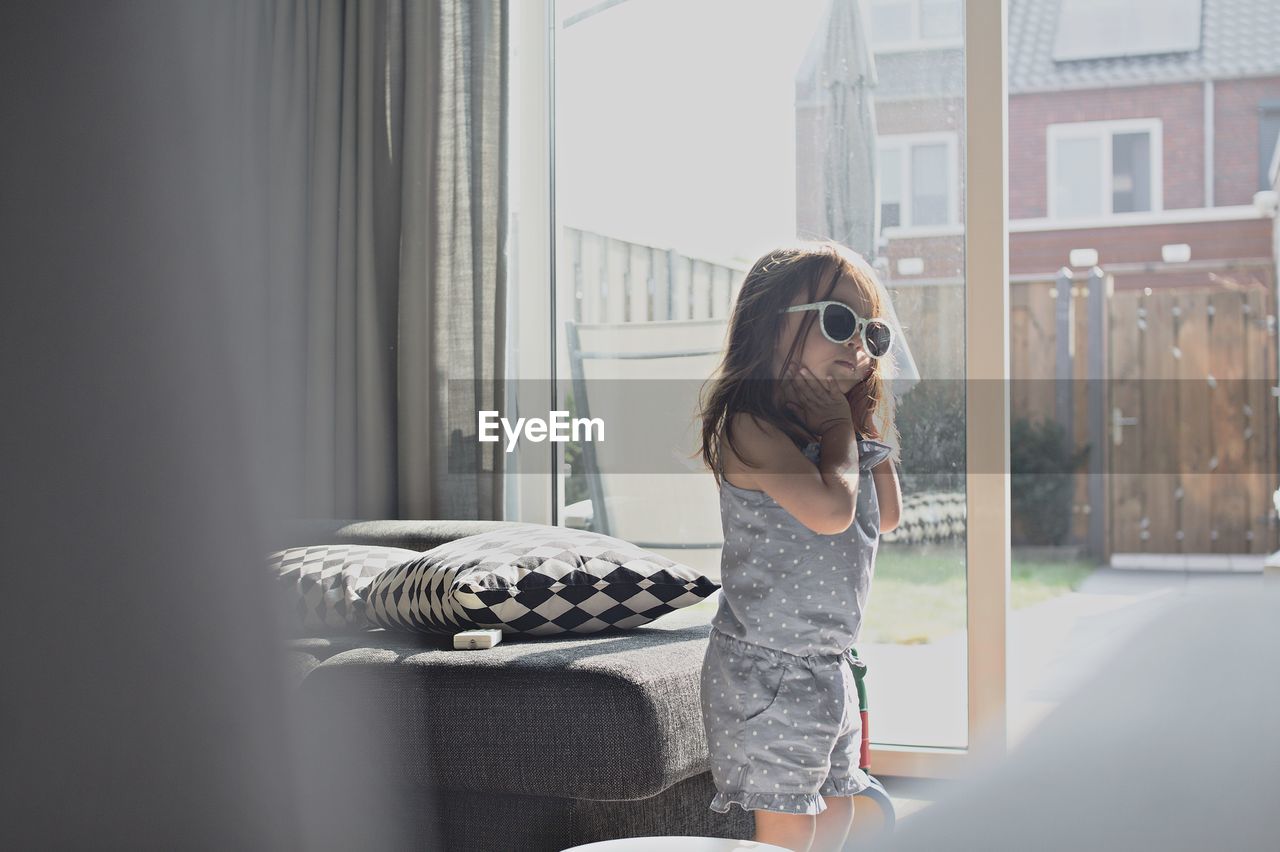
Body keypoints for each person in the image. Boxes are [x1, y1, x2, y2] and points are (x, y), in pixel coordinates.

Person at [695, 240, 905, 852]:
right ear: (768, 330)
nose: (857, 344)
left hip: (826, 664)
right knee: (787, 830)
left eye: (872, 333)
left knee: (835, 809)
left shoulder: (837, 436)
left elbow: (886, 516)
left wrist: (861, 426)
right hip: (766, 671)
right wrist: (839, 431)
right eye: (838, 322)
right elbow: (833, 511)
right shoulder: (749, 426)